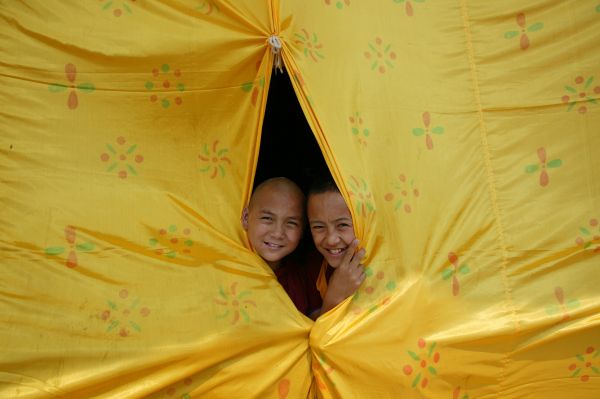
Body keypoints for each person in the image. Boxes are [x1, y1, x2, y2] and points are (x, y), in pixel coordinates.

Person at [241, 177, 322, 316]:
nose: (278, 233)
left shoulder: (303, 276)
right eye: (267, 218)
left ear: (303, 229)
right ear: (246, 217)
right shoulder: (230, 269)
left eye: (291, 223)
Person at [307, 178, 366, 316]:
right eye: (319, 227)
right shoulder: (311, 271)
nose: (331, 240)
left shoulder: (387, 264)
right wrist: (334, 297)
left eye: (342, 225)